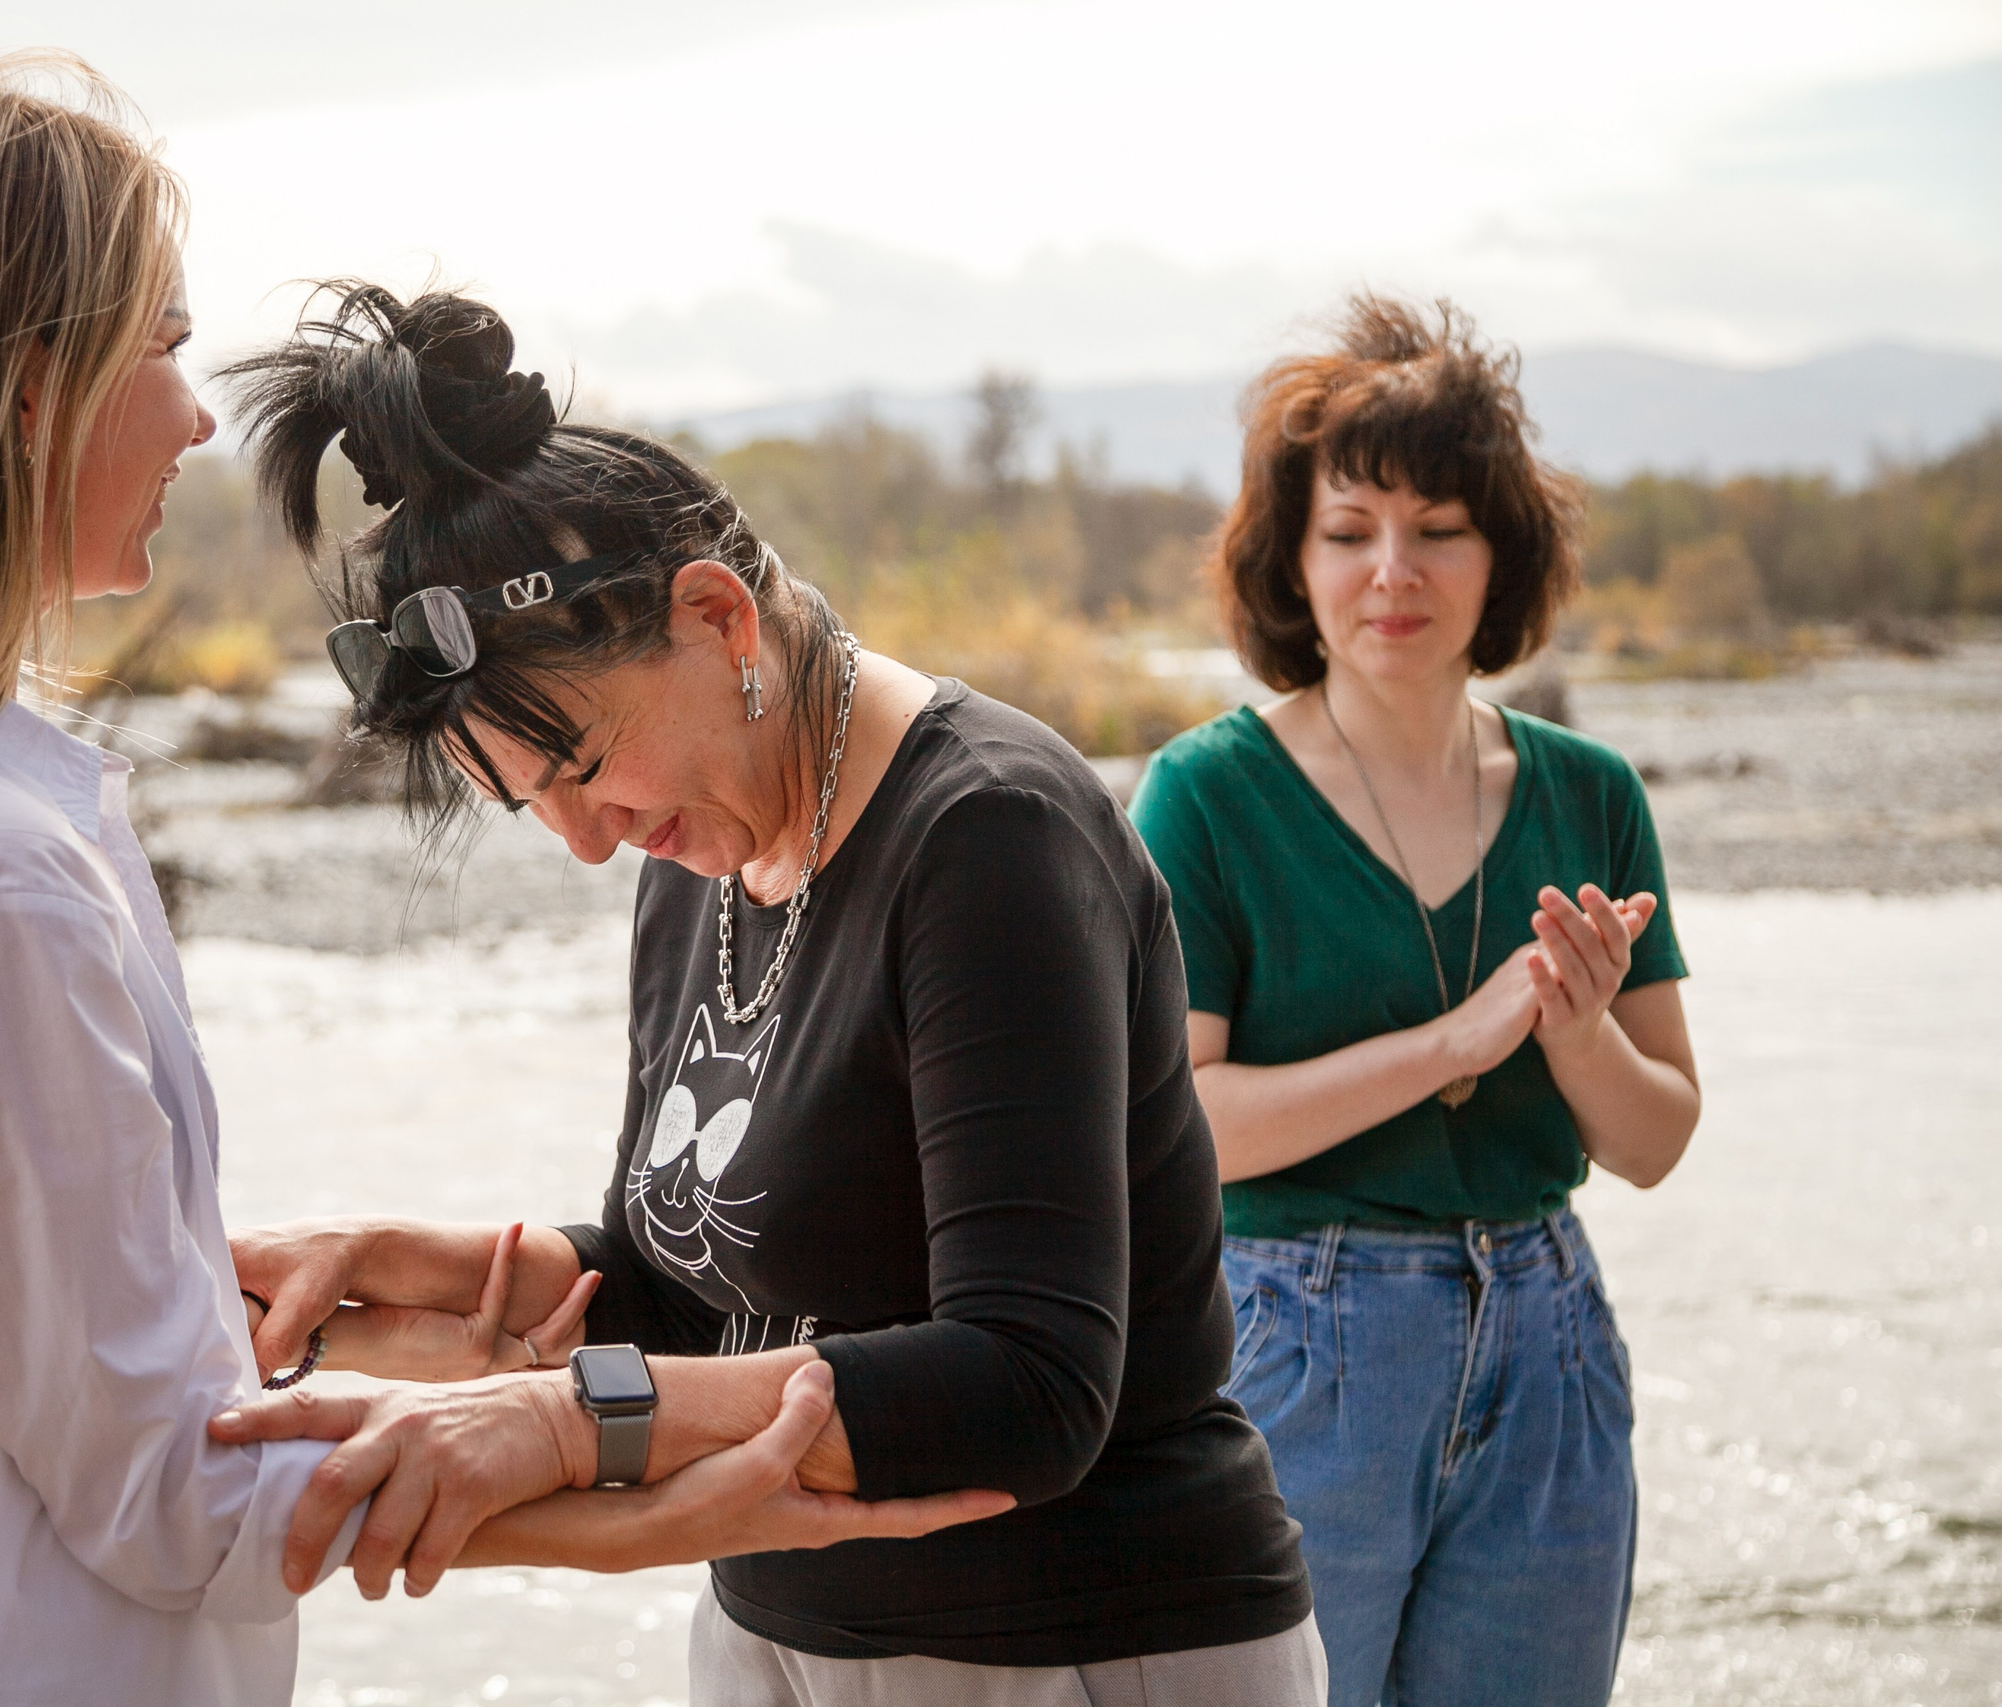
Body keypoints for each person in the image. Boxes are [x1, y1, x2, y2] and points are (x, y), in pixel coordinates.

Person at [0, 61, 969, 1707]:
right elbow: (168, 1500)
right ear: (21, 388)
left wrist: (375, 1338)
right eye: (159, 346)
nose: (199, 417)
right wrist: (622, 1505)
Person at [209, 282, 1327, 1707]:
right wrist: (376, 1273)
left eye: (582, 766)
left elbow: (1026, 1388)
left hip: (1081, 1643)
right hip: (777, 1637)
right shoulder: (702, 851)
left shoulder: (990, 839)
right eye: (528, 801)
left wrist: (557, 1426)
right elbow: (685, 1300)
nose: (585, 836)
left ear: (717, 617)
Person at [1126, 296, 1701, 1707]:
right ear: (1292, 560)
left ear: (1500, 554)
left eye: (1440, 526)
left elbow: (1656, 1138)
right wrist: (1449, 1043)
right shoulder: (1203, 796)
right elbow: (1181, 1129)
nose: (1397, 570)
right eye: (1351, 531)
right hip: (1297, 1340)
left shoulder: (1590, 794)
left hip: (1550, 1339)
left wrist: (1571, 1032)